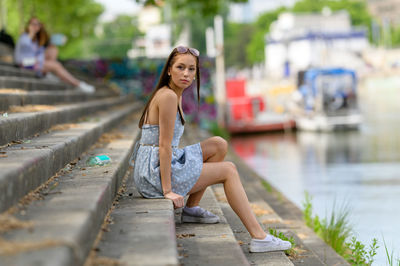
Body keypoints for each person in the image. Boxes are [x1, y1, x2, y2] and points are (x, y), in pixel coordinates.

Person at [132, 46, 292, 253]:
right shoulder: (168, 97)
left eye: (191, 69)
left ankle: (190, 210)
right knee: (228, 170)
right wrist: (168, 191)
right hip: (152, 174)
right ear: (169, 70)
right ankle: (259, 237)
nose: (186, 74)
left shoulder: (173, 94)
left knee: (218, 145)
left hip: (154, 164)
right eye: (180, 67)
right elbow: (163, 146)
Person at [14, 17, 95, 93]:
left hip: (34, 61)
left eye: (38, 24)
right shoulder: (24, 36)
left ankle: (46, 73)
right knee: (56, 65)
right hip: (24, 63)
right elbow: (25, 46)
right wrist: (31, 32)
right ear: (28, 25)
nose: (35, 26)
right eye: (33, 24)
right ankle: (78, 84)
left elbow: (40, 51)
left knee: (53, 49)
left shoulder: (36, 39)